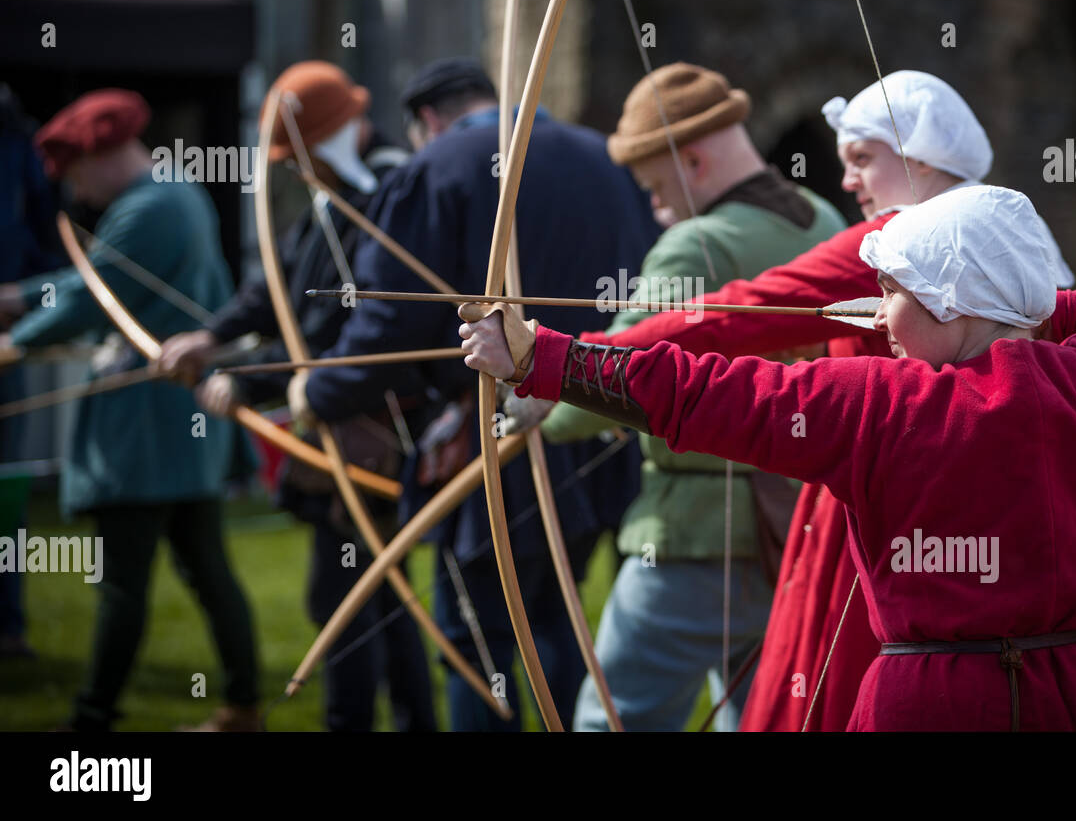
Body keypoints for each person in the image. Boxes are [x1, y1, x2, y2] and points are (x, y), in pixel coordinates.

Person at [461, 184, 1076, 731]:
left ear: (949, 300)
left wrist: (544, 358)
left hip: (935, 706)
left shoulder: (882, 404)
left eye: (892, 291)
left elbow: (700, 394)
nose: (877, 313)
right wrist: (1030, 308)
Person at [581, 71, 1074, 730]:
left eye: (863, 159)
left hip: (878, 503)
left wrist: (575, 360)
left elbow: (741, 312)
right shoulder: (998, 226)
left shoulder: (913, 233)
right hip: (972, 512)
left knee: (835, 690)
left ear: (921, 158)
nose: (847, 182)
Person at [292, 57, 660, 730]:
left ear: (430, 121)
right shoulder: (605, 156)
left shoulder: (438, 165)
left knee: (477, 632)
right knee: (554, 611)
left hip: (497, 431)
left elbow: (388, 321)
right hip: (600, 421)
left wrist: (322, 391)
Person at [539, 63, 845, 730]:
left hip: (696, 542)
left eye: (654, 186)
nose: (655, 207)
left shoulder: (690, 246)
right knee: (757, 717)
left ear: (696, 160)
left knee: (612, 720)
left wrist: (531, 403)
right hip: (795, 530)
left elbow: (610, 376)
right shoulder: (821, 217)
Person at [159, 61, 437, 732]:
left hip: (376, 431)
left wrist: (249, 379)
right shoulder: (333, 199)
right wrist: (211, 337)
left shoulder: (389, 198)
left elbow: (347, 337)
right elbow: (276, 294)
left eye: (304, 153)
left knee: (346, 602)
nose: (296, 169)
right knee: (377, 599)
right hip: (335, 426)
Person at [0, 89, 258, 731]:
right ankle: (242, 705)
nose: (79, 194)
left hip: (147, 430)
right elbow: (98, 281)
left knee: (122, 583)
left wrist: (13, 342)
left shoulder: (148, 207)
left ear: (100, 153)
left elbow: (96, 296)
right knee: (207, 572)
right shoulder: (171, 196)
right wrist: (21, 296)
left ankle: (92, 721)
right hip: (178, 431)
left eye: (77, 174)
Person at [0, 84, 63, 659]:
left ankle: (8, 625)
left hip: (4, 345)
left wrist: (23, 299)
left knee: (6, 490)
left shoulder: (17, 143)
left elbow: (50, 247)